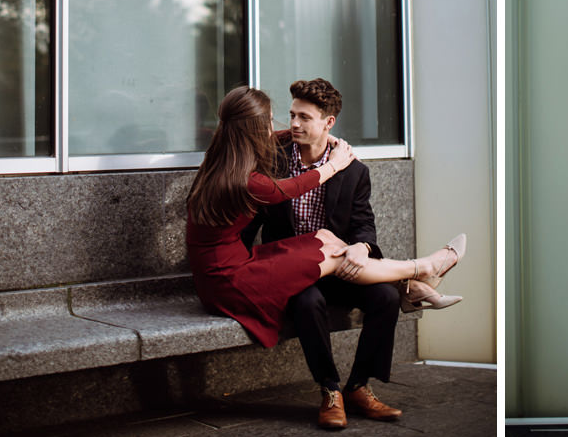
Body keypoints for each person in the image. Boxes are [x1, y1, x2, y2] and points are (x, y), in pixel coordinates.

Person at [187, 86, 466, 431]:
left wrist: (361, 247)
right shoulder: (267, 160)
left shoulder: (354, 171)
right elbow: (279, 192)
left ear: (328, 122)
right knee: (309, 297)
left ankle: (359, 386)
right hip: (271, 269)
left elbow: (364, 224)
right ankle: (333, 388)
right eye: (289, 116)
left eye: (303, 117)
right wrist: (332, 164)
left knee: (381, 296)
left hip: (323, 262)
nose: (292, 123)